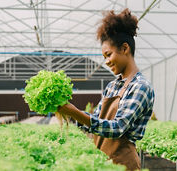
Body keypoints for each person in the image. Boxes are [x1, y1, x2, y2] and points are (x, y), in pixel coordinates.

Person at [58, 8, 155, 170]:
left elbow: (117, 128)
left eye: (108, 55)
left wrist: (75, 112)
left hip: (124, 164)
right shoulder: (112, 86)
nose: (107, 62)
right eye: (104, 57)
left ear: (125, 48)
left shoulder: (140, 87)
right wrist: (67, 112)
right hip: (102, 162)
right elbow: (94, 121)